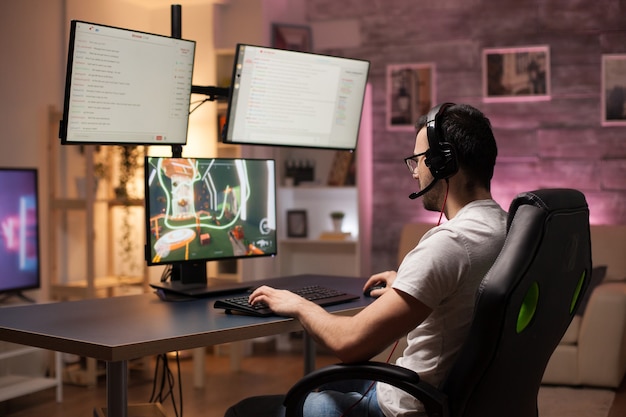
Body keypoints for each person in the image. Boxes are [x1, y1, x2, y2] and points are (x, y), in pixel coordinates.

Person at [224, 103, 508, 417]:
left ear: (444, 163)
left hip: (410, 407)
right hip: (458, 400)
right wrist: (408, 284)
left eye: (419, 161)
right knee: (331, 384)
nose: (415, 173)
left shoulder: (449, 243)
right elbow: (463, 294)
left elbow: (351, 344)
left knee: (246, 410)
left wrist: (297, 304)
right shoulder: (507, 228)